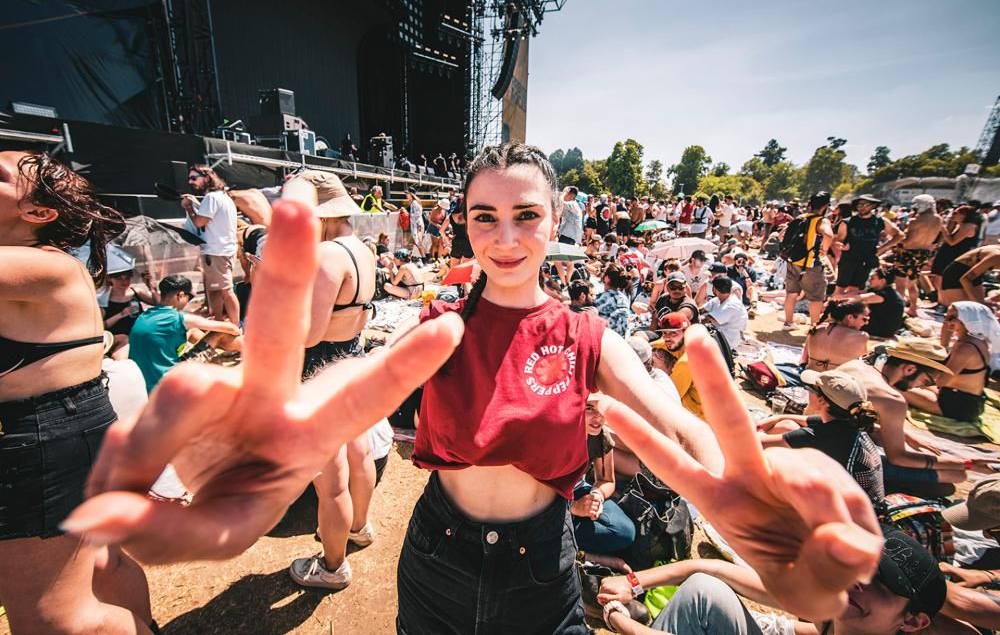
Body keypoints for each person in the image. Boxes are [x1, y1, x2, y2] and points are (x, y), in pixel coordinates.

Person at [69, 146, 886, 633]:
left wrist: (741, 486)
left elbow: (674, 418)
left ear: (555, 220)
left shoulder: (588, 336)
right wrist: (279, 431)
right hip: (438, 555)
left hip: (544, 570)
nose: (504, 236)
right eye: (483, 216)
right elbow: (360, 382)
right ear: (463, 222)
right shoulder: (439, 328)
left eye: (525, 215)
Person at [0, 150, 154, 634]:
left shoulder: (42, 266)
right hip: (72, 426)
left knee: (52, 619)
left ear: (38, 212)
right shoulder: (45, 263)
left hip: (44, 438)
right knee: (104, 561)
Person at [286, 170, 380, 590]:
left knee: (331, 480)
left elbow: (309, 334)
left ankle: (332, 566)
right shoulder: (363, 249)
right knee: (360, 451)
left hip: (320, 369)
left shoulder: (326, 256)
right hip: (351, 359)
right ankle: (359, 527)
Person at [598, 526, 948, 635]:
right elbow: (713, 570)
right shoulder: (835, 616)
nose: (859, 582)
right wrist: (634, 582)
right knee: (705, 591)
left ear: (913, 621)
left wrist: (618, 619)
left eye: (883, 584)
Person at [837, 340, 992, 492]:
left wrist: (905, 435)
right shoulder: (892, 400)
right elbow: (898, 458)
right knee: (956, 476)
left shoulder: (857, 365)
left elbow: (847, 418)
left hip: (826, 441)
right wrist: (967, 463)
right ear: (910, 369)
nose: (922, 387)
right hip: (842, 460)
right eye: (926, 381)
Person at [758, 369, 884, 502]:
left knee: (770, 462)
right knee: (787, 426)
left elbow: (756, 442)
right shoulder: (848, 423)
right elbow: (792, 419)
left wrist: (756, 427)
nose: (807, 391)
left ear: (822, 401)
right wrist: (774, 419)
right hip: (861, 503)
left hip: (843, 510)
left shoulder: (821, 436)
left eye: (810, 388)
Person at [129, 275, 240, 392]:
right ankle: (247, 354)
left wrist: (200, 322)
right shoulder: (179, 319)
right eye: (189, 297)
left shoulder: (145, 315)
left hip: (144, 383)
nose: (187, 302)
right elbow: (232, 329)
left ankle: (219, 359)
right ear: (181, 295)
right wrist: (234, 327)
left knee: (193, 331)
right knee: (217, 334)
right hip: (170, 381)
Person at [901, 302, 994, 421]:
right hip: (968, 400)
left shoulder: (965, 348)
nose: (947, 321)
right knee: (913, 381)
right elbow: (943, 345)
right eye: (946, 316)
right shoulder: (978, 341)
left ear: (967, 320)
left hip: (957, 406)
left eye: (952, 318)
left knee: (898, 384)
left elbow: (942, 381)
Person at [571, 397, 636, 556]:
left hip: (577, 489)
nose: (598, 417)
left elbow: (606, 480)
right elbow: (536, 495)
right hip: (548, 502)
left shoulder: (600, 435)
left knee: (624, 532)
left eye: (602, 408)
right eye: (589, 408)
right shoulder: (557, 436)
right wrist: (574, 508)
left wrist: (596, 496)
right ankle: (579, 552)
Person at [181, 164, 240, 323]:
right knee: (214, 290)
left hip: (217, 253)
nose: (190, 182)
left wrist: (189, 208)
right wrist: (196, 204)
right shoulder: (222, 196)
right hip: (220, 250)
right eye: (189, 179)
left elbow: (199, 222)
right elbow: (213, 218)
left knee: (226, 291)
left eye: (194, 178)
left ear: (207, 177)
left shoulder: (211, 198)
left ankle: (235, 327)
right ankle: (219, 321)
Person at [884, 194, 942, 316]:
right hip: (923, 252)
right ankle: (913, 308)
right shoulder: (938, 219)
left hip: (908, 253)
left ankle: (898, 310)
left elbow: (908, 241)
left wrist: (898, 240)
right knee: (912, 283)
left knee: (900, 284)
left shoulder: (916, 220)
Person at [783, 192, 834, 329]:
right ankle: (814, 327)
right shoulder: (821, 221)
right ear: (825, 206)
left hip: (793, 260)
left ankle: (788, 322)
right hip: (811, 264)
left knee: (791, 293)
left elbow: (784, 235)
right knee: (816, 297)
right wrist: (825, 249)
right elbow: (828, 234)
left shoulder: (800, 218)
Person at [835, 195, 901, 295]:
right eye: (859, 205)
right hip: (849, 259)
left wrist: (882, 248)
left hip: (867, 260)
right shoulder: (847, 222)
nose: (862, 207)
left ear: (873, 206)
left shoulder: (880, 221)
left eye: (865, 204)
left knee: (855, 290)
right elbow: (837, 241)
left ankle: (849, 305)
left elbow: (899, 235)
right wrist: (841, 246)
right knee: (840, 288)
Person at [101, 266, 159, 359]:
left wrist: (151, 287)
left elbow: (159, 304)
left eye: (127, 278)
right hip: (121, 339)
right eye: (119, 278)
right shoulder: (104, 299)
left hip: (139, 334)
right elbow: (101, 326)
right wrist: (121, 314)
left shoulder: (135, 291)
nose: (124, 281)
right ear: (110, 278)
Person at [833, 267, 906, 339]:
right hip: (877, 321)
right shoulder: (877, 289)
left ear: (882, 281)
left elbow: (860, 299)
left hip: (884, 329)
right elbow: (858, 293)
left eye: (872, 278)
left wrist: (838, 299)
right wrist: (840, 296)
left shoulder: (886, 294)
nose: (869, 280)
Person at [801, 299, 871, 372]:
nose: (866, 323)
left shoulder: (816, 329)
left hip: (810, 375)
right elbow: (863, 364)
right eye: (864, 319)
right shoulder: (860, 337)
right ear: (850, 317)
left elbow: (803, 360)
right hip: (836, 378)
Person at [932, 204, 981, 300]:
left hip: (955, 255)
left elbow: (952, 242)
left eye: (956, 213)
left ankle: (945, 302)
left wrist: (942, 227)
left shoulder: (968, 226)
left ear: (964, 215)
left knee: (943, 280)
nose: (953, 215)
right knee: (938, 279)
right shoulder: (959, 225)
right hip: (948, 254)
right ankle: (941, 301)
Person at [702, 276, 748, 349]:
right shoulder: (718, 299)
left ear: (714, 289)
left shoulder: (731, 305)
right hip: (719, 335)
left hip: (728, 341)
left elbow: (706, 319)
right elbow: (701, 310)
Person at [555, 186, 583, 284]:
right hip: (569, 235)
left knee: (558, 259)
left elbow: (559, 202)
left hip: (568, 235)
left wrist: (564, 192)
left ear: (571, 196)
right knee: (567, 261)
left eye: (567, 194)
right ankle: (567, 281)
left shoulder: (573, 204)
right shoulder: (572, 206)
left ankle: (564, 282)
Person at [596, 261, 631, 337]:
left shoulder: (601, 298)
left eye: (603, 272)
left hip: (606, 338)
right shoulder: (624, 298)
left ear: (607, 278)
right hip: (622, 338)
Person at [405, 190, 427, 258]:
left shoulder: (414, 202)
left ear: (411, 194)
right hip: (417, 224)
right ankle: (423, 257)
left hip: (417, 225)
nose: (406, 195)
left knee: (418, 242)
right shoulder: (413, 202)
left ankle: (424, 258)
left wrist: (407, 213)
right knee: (416, 242)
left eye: (407, 193)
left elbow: (417, 214)